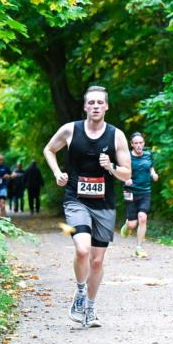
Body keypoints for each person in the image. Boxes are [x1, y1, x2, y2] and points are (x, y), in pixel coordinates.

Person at [43, 86, 132, 327]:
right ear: (85, 107)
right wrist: (57, 172)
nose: (95, 106)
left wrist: (111, 167)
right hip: (76, 200)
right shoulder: (71, 130)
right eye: (90, 102)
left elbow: (127, 174)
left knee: (97, 261)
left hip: (104, 204)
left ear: (106, 107)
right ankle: (80, 292)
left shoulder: (116, 136)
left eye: (99, 103)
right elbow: (49, 149)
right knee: (82, 249)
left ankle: (91, 308)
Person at [119, 132, 159, 258]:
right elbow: (120, 171)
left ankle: (139, 247)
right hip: (130, 192)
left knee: (143, 217)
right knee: (132, 224)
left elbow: (150, 167)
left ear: (144, 143)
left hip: (145, 191)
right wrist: (126, 179)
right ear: (131, 145)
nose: (138, 145)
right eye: (136, 143)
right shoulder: (127, 157)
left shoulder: (148, 155)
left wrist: (153, 173)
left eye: (140, 143)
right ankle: (127, 225)